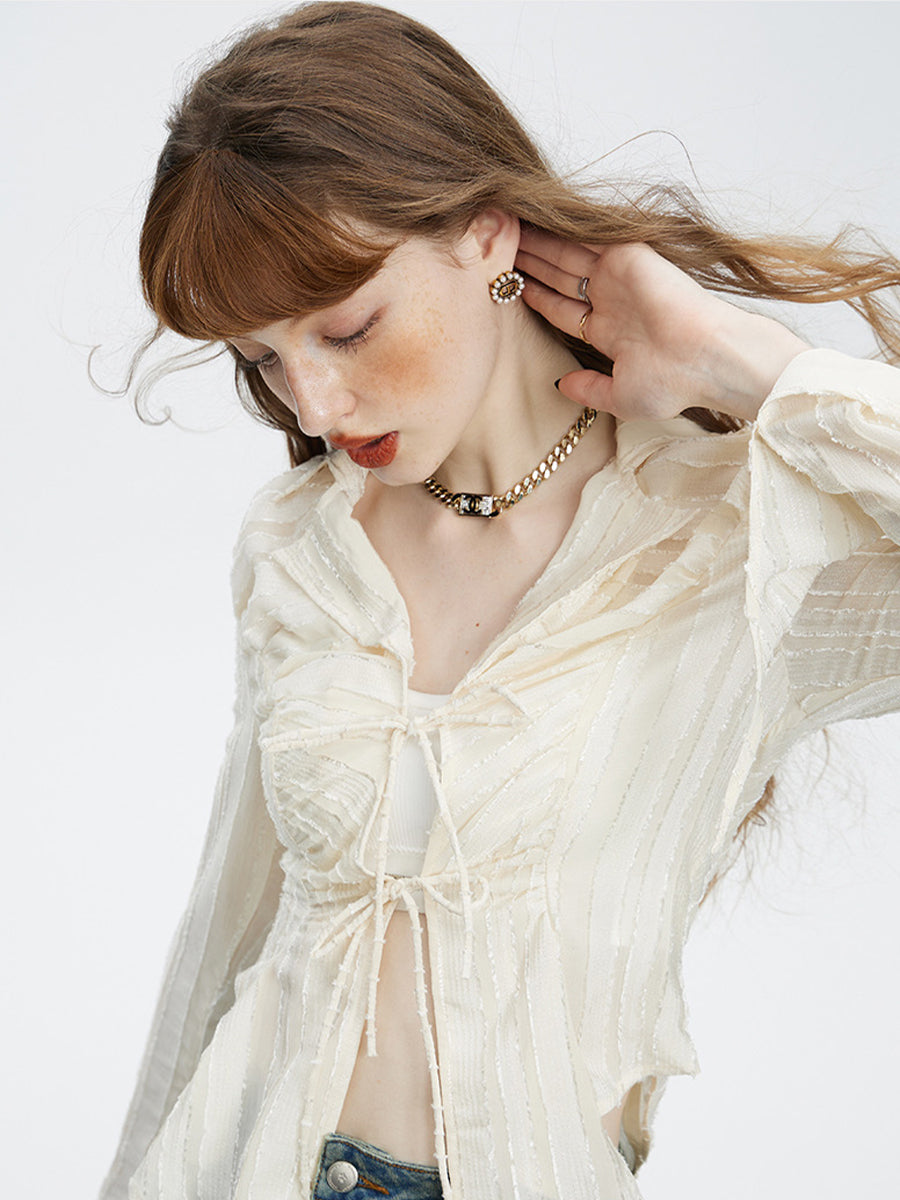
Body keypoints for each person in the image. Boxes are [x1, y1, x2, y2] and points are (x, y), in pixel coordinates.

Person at [99, 3, 900, 1198]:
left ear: (485, 234)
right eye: (263, 357)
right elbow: (229, 932)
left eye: (346, 327)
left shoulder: (728, 540)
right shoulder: (298, 547)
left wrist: (740, 359)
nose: (312, 405)